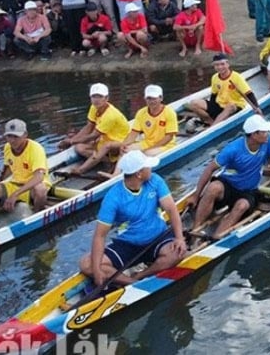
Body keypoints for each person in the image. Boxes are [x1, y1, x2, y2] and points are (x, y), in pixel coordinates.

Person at [79, 150, 186, 288]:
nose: (151, 169)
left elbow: (171, 210)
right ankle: (133, 283)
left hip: (157, 236)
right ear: (139, 173)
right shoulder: (113, 197)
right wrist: (97, 271)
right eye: (148, 167)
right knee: (87, 264)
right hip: (127, 244)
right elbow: (100, 236)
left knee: (178, 254)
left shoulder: (155, 180)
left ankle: (141, 275)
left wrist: (179, 238)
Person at [190, 116, 270, 240]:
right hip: (228, 185)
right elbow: (209, 169)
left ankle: (216, 238)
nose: (267, 134)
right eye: (264, 132)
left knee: (242, 206)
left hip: (248, 191)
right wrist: (196, 195)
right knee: (213, 188)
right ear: (254, 135)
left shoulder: (269, 140)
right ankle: (195, 232)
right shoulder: (233, 149)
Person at [61, 83, 133, 175]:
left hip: (122, 141)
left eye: (100, 97)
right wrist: (73, 140)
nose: (96, 100)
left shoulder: (110, 115)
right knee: (79, 148)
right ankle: (108, 161)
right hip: (106, 139)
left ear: (106, 98)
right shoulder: (94, 107)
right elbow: (89, 127)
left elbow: (93, 135)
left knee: (106, 145)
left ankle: (81, 170)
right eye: (94, 96)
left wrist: (70, 142)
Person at [188, 54, 261, 126]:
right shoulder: (215, 77)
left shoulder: (237, 77)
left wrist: (256, 107)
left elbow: (249, 93)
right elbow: (214, 94)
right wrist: (211, 109)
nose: (220, 67)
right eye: (217, 65)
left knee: (230, 106)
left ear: (228, 64)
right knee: (194, 103)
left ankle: (214, 126)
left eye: (222, 64)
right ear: (214, 66)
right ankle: (210, 121)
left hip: (235, 106)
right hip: (220, 104)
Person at [110, 85, 180, 158]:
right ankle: (118, 169)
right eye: (149, 98)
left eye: (154, 98)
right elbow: (134, 133)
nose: (151, 101)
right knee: (125, 150)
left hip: (166, 145)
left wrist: (151, 148)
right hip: (147, 142)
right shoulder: (141, 113)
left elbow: (169, 137)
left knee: (147, 154)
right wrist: (124, 145)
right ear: (145, 99)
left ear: (161, 98)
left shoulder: (169, 113)